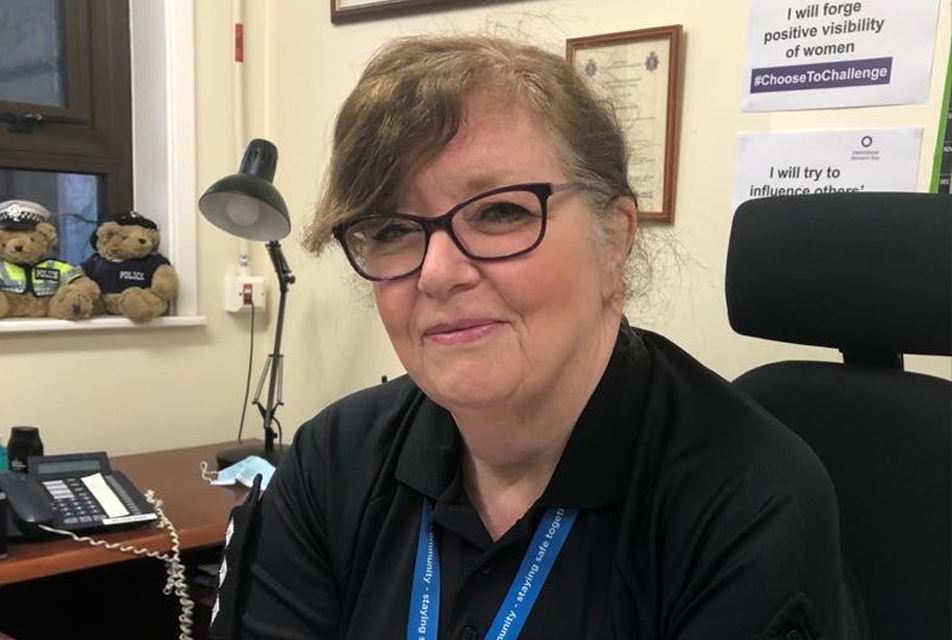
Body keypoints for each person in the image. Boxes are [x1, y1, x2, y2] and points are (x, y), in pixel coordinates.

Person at [218, 35, 862, 640]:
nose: (438, 273)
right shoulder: (332, 460)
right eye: (390, 230)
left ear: (616, 238)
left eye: (500, 212)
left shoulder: (747, 502)